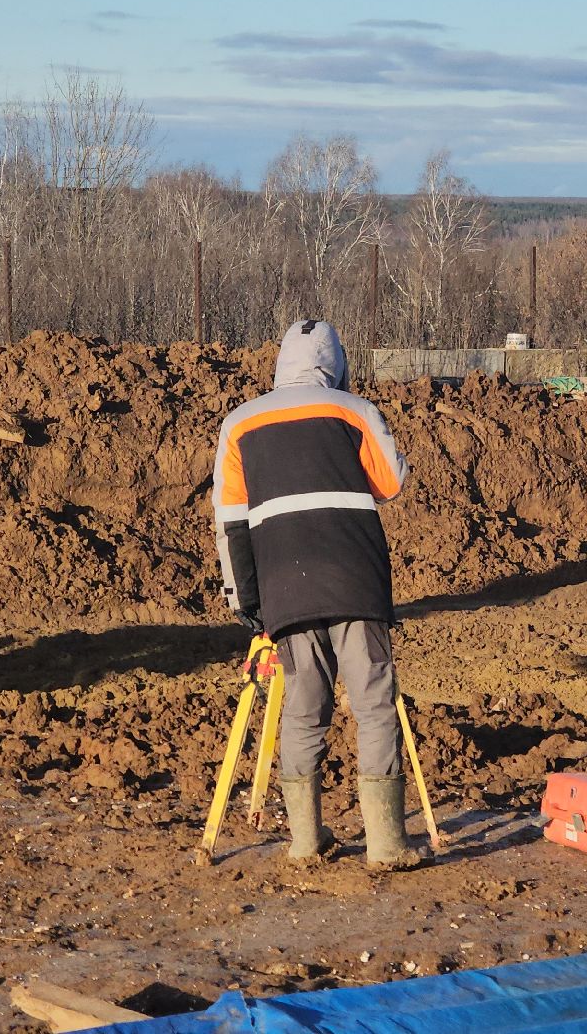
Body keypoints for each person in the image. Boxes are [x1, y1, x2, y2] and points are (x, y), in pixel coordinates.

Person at [211, 319, 419, 868]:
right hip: (356, 582)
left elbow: (231, 524)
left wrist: (246, 603)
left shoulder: (238, 425)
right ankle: (387, 845)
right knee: (374, 706)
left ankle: (305, 843)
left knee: (303, 712)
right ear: (336, 363)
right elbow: (392, 482)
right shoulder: (353, 410)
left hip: (283, 588)